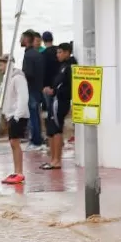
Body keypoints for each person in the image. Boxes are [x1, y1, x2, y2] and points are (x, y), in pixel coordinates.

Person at [0, 54, 30, 184]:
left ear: (8, 64)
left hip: (17, 115)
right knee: (13, 144)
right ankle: (16, 171)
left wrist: (17, 116)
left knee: (15, 143)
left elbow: (23, 97)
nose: (0, 68)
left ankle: (19, 172)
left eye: (1, 65)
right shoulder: (6, 79)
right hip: (10, 115)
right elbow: (2, 95)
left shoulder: (18, 78)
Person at [42, 42, 76, 170]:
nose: (58, 55)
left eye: (60, 52)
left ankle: (57, 160)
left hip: (60, 101)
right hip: (54, 99)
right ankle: (52, 159)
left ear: (67, 52)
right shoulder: (61, 66)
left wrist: (54, 91)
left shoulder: (70, 66)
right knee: (50, 129)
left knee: (56, 128)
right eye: (57, 52)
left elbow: (67, 87)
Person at [21, 30, 46, 151]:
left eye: (22, 38)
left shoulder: (28, 55)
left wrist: (21, 76)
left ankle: (35, 141)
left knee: (33, 115)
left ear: (26, 40)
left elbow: (29, 74)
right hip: (38, 88)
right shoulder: (37, 54)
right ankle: (38, 139)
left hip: (31, 89)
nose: (20, 40)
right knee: (35, 114)